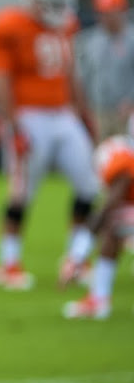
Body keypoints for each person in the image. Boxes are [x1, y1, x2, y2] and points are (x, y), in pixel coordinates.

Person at [0, 0, 98, 290]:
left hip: (63, 113)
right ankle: (10, 263)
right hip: (28, 115)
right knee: (21, 191)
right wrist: (12, 124)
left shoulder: (68, 23)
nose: (58, 8)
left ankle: (76, 258)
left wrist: (84, 112)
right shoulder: (9, 24)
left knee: (89, 185)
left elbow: (72, 71)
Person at [64, 134, 134, 319]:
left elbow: (111, 202)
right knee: (115, 225)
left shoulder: (118, 158)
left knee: (113, 223)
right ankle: (99, 298)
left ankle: (99, 298)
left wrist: (78, 255)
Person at [76, 0, 134, 140]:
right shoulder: (89, 40)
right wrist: (84, 108)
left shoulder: (131, 39)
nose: (107, 17)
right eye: (103, 13)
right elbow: (82, 76)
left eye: (111, 12)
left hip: (126, 110)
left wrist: (131, 101)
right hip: (97, 110)